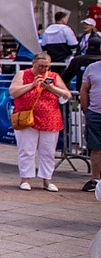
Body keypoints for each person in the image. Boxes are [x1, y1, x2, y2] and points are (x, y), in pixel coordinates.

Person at [8, 52, 70, 191]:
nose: (43, 69)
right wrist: (32, 85)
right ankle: (25, 179)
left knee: (48, 151)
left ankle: (47, 180)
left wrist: (51, 88)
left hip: (50, 118)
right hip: (27, 117)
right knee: (26, 150)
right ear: (33, 64)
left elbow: (67, 94)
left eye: (47, 67)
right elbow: (13, 91)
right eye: (41, 66)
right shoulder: (23, 74)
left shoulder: (54, 76)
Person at [79, 54, 101, 192]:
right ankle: (95, 179)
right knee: (96, 147)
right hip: (95, 114)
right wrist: (86, 110)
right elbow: (84, 90)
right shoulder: (92, 68)